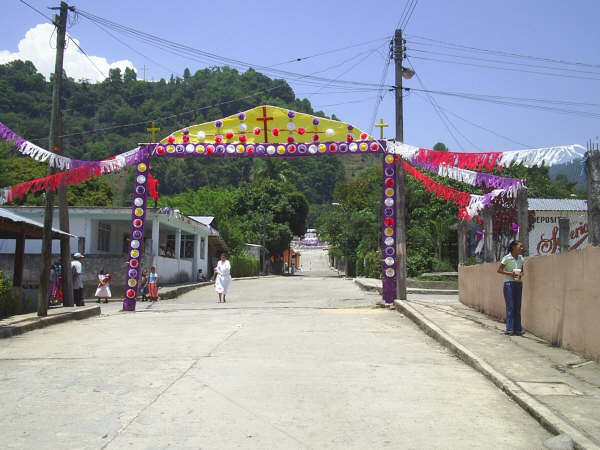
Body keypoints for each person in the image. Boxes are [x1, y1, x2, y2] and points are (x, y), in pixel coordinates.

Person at [497, 240, 525, 336]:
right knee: (511, 306)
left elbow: (522, 270)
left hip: (518, 283)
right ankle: (509, 329)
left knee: (517, 306)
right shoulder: (507, 258)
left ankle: (518, 329)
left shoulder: (521, 258)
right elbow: (499, 270)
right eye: (520, 246)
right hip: (509, 283)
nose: (521, 248)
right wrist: (510, 274)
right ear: (513, 247)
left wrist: (520, 274)